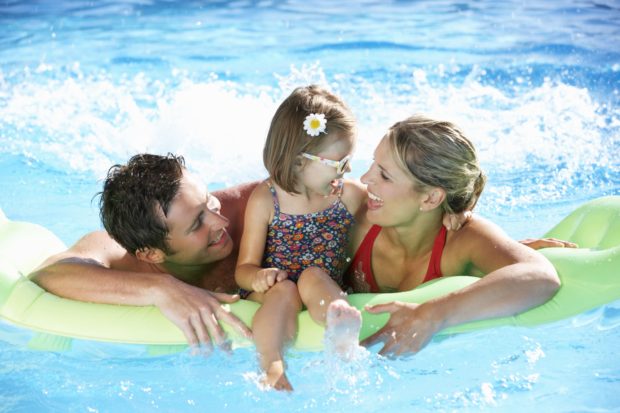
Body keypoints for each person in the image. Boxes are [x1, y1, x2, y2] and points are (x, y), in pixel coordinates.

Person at [343, 114, 562, 356]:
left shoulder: (461, 238)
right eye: (374, 164)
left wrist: (431, 315)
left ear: (430, 198)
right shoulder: (351, 208)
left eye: (384, 175)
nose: (365, 178)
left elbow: (541, 277)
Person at [30, 153, 256, 352]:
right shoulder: (118, 255)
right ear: (151, 255)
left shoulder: (252, 208)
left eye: (209, 201)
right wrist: (161, 288)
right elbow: (49, 274)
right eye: (197, 223)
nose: (221, 220)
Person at [234, 86, 367, 391]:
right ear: (297, 161)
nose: (347, 171)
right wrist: (259, 277)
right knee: (285, 290)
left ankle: (341, 334)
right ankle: (273, 364)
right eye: (339, 163)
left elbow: (389, 218)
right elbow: (243, 270)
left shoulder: (348, 195)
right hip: (272, 293)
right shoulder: (266, 200)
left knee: (312, 276)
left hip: (321, 285)